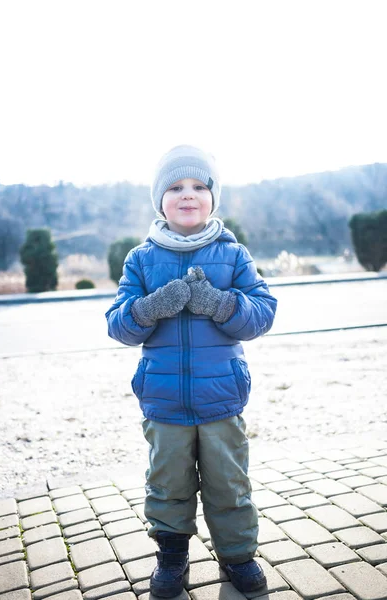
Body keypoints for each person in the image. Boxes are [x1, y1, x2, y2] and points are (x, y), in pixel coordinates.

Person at [105, 145, 277, 598]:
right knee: (168, 484)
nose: (188, 194)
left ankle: (238, 557)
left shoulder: (234, 253)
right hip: (163, 401)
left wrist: (219, 304)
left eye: (200, 186)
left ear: (213, 198)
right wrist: (149, 308)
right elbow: (117, 324)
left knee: (229, 484)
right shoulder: (140, 259)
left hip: (221, 397)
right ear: (159, 199)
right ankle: (172, 558)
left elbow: (262, 313)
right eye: (176, 187)